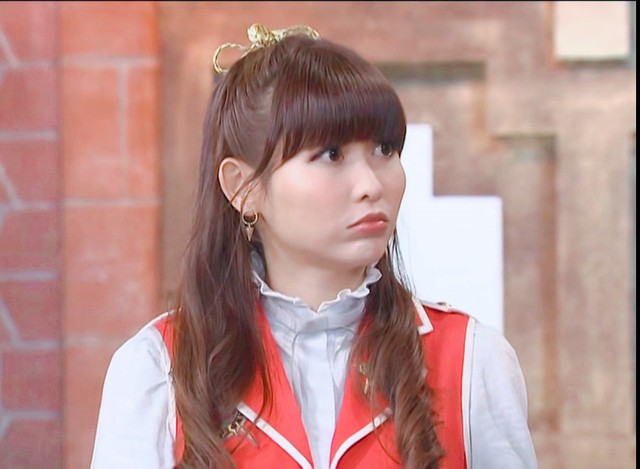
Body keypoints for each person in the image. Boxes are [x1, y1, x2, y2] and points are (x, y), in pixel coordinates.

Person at [90, 23, 538, 469]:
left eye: (384, 149)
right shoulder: (158, 369)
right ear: (243, 187)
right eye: (332, 154)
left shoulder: (469, 360)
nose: (371, 184)